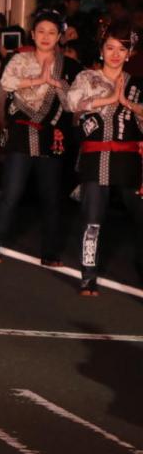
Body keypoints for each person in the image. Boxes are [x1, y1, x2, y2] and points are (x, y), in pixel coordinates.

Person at [0, 10, 81, 265]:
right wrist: (40, 79)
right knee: (11, 192)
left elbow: (74, 104)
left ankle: (50, 252)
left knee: (51, 197)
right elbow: (7, 83)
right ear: (32, 34)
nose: (46, 37)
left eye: (52, 32)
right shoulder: (19, 59)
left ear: (60, 36)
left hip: (51, 136)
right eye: (41, 31)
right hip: (21, 134)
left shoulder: (69, 66)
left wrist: (59, 85)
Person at [65, 20, 143, 296]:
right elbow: (71, 103)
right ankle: (88, 276)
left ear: (129, 53)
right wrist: (106, 101)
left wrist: (128, 104)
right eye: (110, 47)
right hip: (95, 158)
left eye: (122, 49)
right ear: (101, 50)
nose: (115, 54)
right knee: (93, 219)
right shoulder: (87, 78)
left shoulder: (136, 86)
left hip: (129, 160)